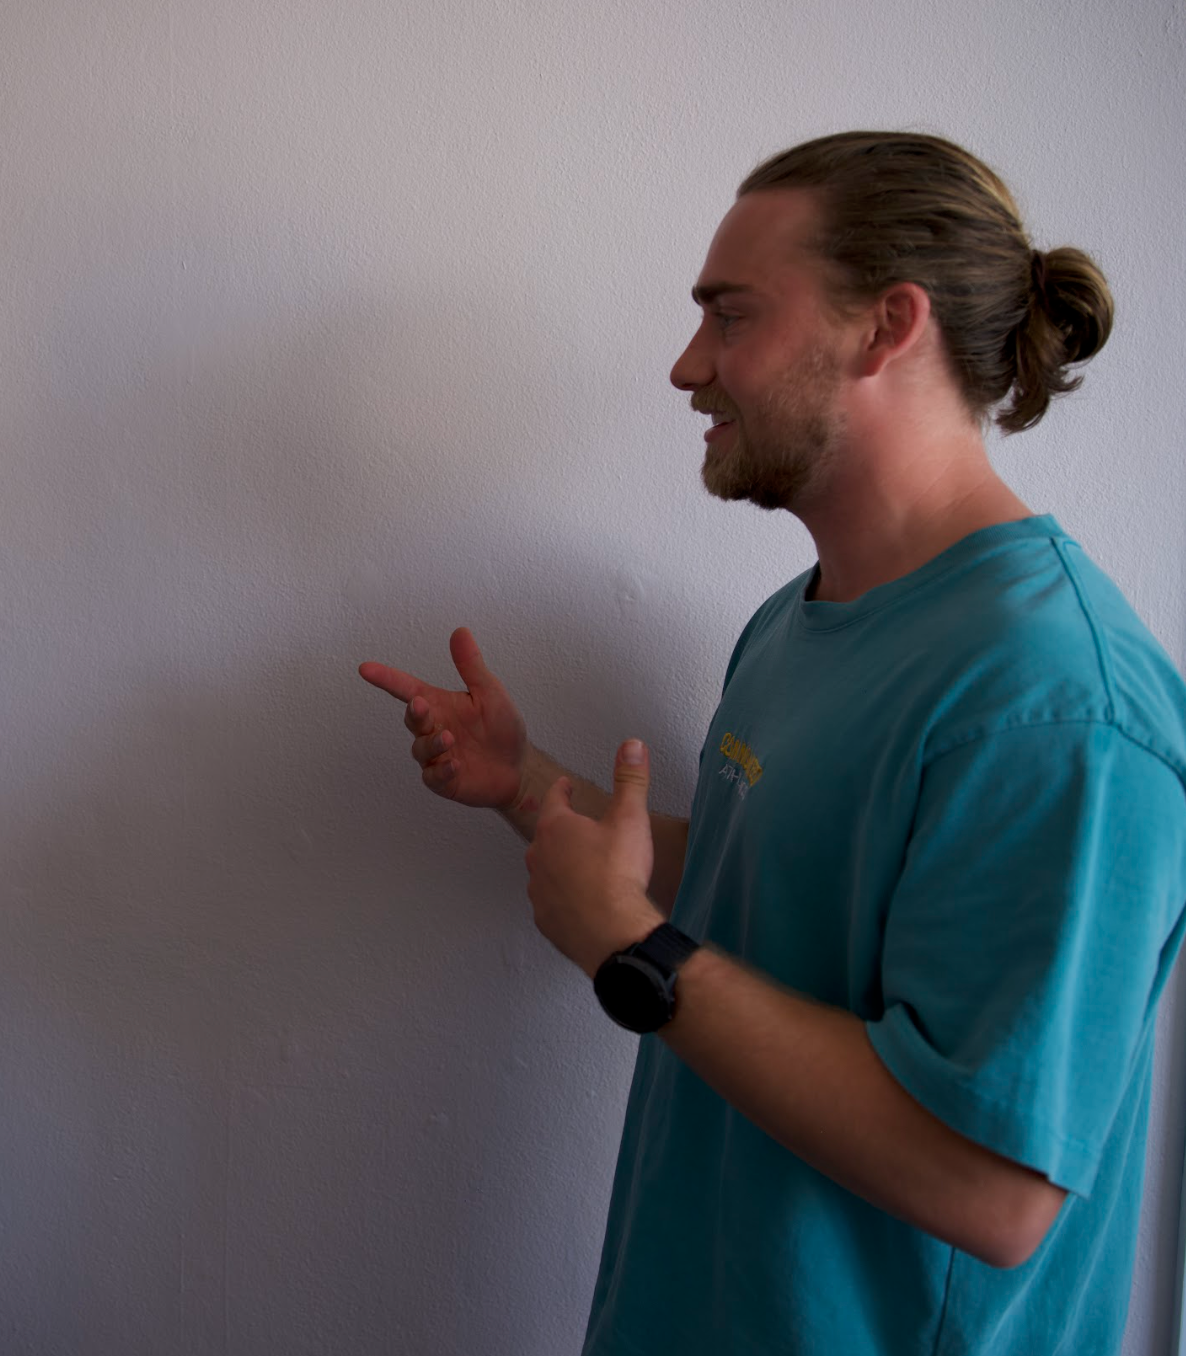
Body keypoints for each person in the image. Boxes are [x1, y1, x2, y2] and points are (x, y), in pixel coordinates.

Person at [360, 132, 1186, 1355]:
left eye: (731, 315)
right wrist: (529, 788)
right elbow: (778, 896)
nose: (688, 365)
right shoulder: (802, 617)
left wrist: (634, 955)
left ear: (886, 327)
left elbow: (992, 1189)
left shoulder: (1059, 707)